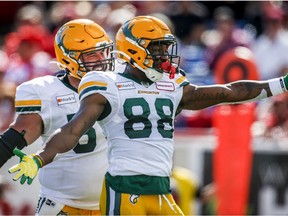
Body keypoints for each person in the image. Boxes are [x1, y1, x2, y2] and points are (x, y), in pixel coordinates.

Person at [8, 15, 288, 215]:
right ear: (134, 50)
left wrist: (280, 84)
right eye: (157, 49)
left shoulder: (170, 83)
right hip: (104, 194)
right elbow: (73, 129)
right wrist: (38, 158)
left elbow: (227, 92)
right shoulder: (106, 85)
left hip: (153, 190)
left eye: (166, 48)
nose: (165, 55)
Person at [2, 19, 114, 215]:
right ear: (69, 58)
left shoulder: (118, 85)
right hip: (62, 206)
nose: (101, 59)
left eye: (103, 51)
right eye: (91, 55)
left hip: (111, 205)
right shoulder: (45, 91)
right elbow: (18, 135)